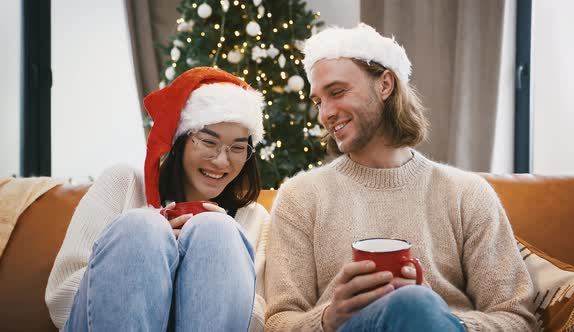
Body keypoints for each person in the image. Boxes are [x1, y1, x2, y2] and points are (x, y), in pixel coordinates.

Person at [264, 24, 535, 331]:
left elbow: (518, 318)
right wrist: (329, 317)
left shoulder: (466, 194)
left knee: (415, 305)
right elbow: (278, 321)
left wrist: (439, 317)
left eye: (337, 92)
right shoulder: (301, 197)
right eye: (318, 102)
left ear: (385, 85)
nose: (325, 113)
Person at [46, 67, 270, 331]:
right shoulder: (123, 183)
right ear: (180, 140)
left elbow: (258, 324)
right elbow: (60, 300)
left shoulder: (254, 219)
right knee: (143, 228)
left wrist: (217, 263)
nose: (222, 160)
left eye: (237, 148)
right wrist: (147, 258)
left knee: (218, 232)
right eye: (209, 142)